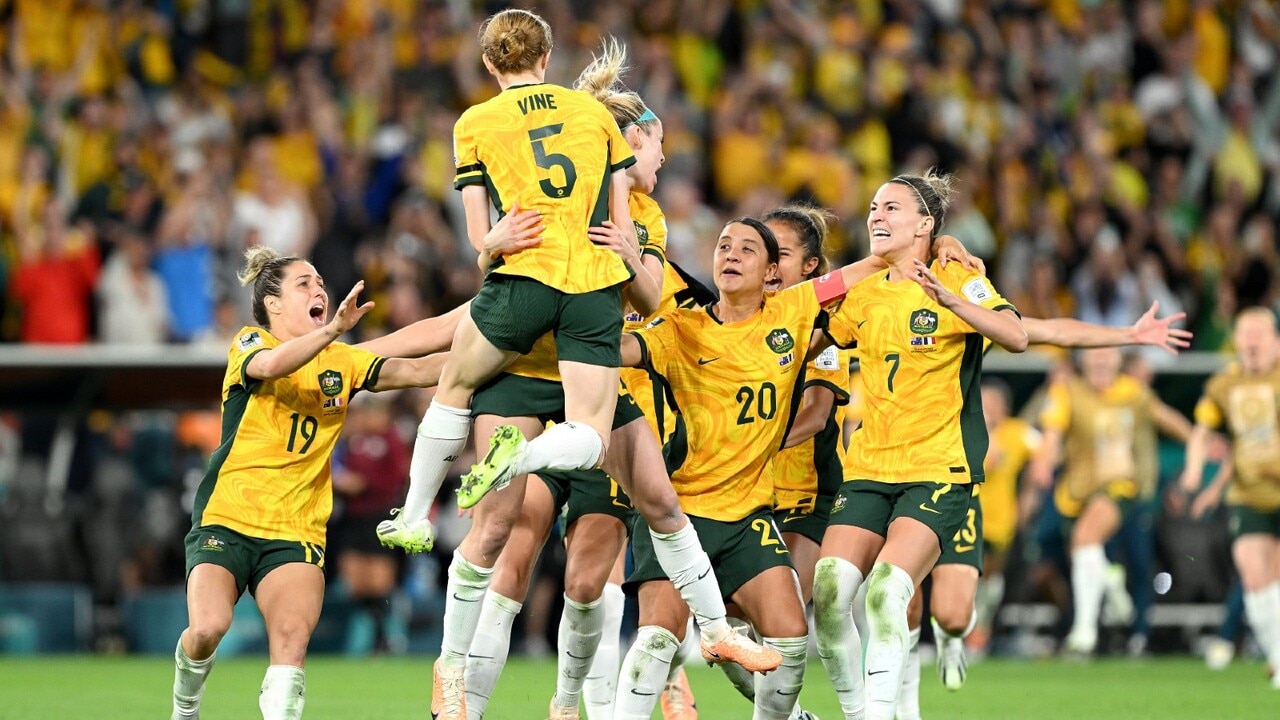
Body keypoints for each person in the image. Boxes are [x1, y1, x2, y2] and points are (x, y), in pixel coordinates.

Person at [612, 217, 978, 720]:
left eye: (748, 249)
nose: (732, 255)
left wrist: (940, 243)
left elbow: (876, 262)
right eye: (723, 246)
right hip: (682, 511)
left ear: (772, 273)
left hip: (753, 517)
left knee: (789, 642)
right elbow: (617, 351)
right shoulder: (681, 326)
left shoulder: (797, 311)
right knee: (658, 639)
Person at [457, 39, 709, 720]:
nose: (661, 159)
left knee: (574, 577)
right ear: (629, 142)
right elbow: (655, 311)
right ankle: (495, 705)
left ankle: (566, 701)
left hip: (564, 401)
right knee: (527, 558)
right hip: (587, 407)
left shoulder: (559, 197)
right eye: (656, 145)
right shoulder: (628, 213)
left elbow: (502, 293)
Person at [378, 6, 642, 560]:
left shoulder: (473, 123)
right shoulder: (594, 114)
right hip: (594, 283)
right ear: (548, 56)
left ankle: (412, 514)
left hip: (522, 272)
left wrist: (495, 244)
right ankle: (523, 456)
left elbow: (483, 240)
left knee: (453, 384)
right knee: (592, 435)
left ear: (487, 62)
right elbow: (620, 223)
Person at [171, 247, 444, 720]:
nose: (318, 288)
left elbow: (418, 366)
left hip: (296, 530)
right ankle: (185, 706)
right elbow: (273, 368)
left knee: (292, 642)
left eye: (320, 281)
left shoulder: (341, 361)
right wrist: (334, 328)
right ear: (273, 304)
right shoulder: (249, 344)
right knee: (207, 629)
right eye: (304, 283)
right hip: (228, 519)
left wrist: (502, 345)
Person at [813, 170, 1028, 720]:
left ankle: (888, 710)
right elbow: (814, 337)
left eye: (891, 208)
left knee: (888, 593)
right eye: (873, 208)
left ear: (925, 224)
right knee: (832, 591)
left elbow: (1016, 335)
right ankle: (864, 711)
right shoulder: (863, 291)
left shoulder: (956, 274)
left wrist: (952, 301)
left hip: (937, 467)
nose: (876, 216)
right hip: (869, 467)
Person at [1027, 345, 1193, 655]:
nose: (1101, 359)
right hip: (1076, 492)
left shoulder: (1134, 392)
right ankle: (1110, 585)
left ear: (1118, 361)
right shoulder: (1067, 392)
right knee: (1079, 548)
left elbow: (1165, 418)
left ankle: (1086, 630)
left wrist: (1197, 439)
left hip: (1121, 486)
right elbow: (1051, 432)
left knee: (1088, 539)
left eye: (1108, 355)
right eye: (1095, 354)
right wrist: (1043, 463)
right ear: (1084, 361)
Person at [1181, 307, 1280, 689]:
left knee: (1274, 580)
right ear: (1235, 341)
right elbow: (1202, 432)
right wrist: (1194, 473)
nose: (1252, 342)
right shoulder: (1224, 384)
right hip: (1249, 493)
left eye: (1260, 333)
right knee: (1255, 576)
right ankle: (1276, 655)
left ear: (1275, 342)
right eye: (1245, 333)